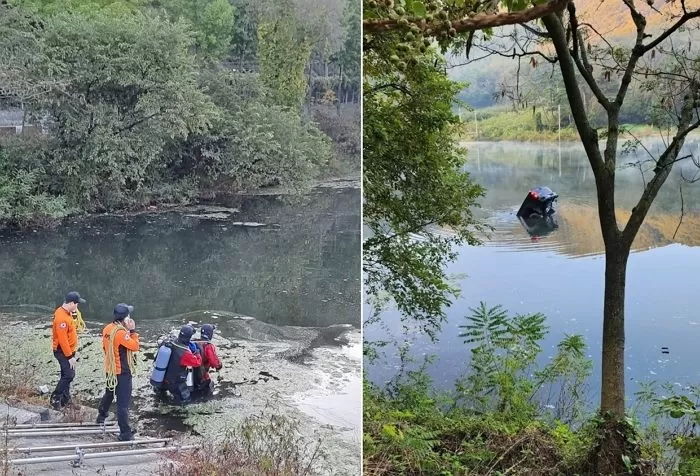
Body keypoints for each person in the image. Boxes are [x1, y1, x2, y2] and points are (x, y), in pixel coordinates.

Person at [96, 303, 140, 441]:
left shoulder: (108, 328)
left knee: (109, 392)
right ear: (125, 318)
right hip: (121, 372)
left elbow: (105, 347)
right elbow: (135, 346)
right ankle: (125, 433)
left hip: (110, 369)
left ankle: (101, 415)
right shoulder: (121, 334)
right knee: (123, 403)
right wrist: (132, 331)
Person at [51, 291, 86, 409]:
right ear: (71, 303)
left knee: (65, 374)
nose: (77, 306)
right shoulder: (62, 318)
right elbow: (62, 339)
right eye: (76, 304)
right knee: (69, 375)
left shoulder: (66, 312)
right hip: (62, 351)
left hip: (69, 350)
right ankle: (55, 398)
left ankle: (65, 400)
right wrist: (70, 357)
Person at [161, 325, 202, 404]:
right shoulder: (185, 353)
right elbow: (197, 363)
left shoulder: (172, 342)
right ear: (188, 338)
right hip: (176, 382)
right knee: (185, 399)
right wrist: (197, 352)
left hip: (164, 378)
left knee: (163, 397)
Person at [192, 324, 223, 397]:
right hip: (202, 375)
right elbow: (214, 362)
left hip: (192, 373)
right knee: (208, 388)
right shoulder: (208, 346)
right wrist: (219, 365)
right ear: (210, 334)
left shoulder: (194, 342)